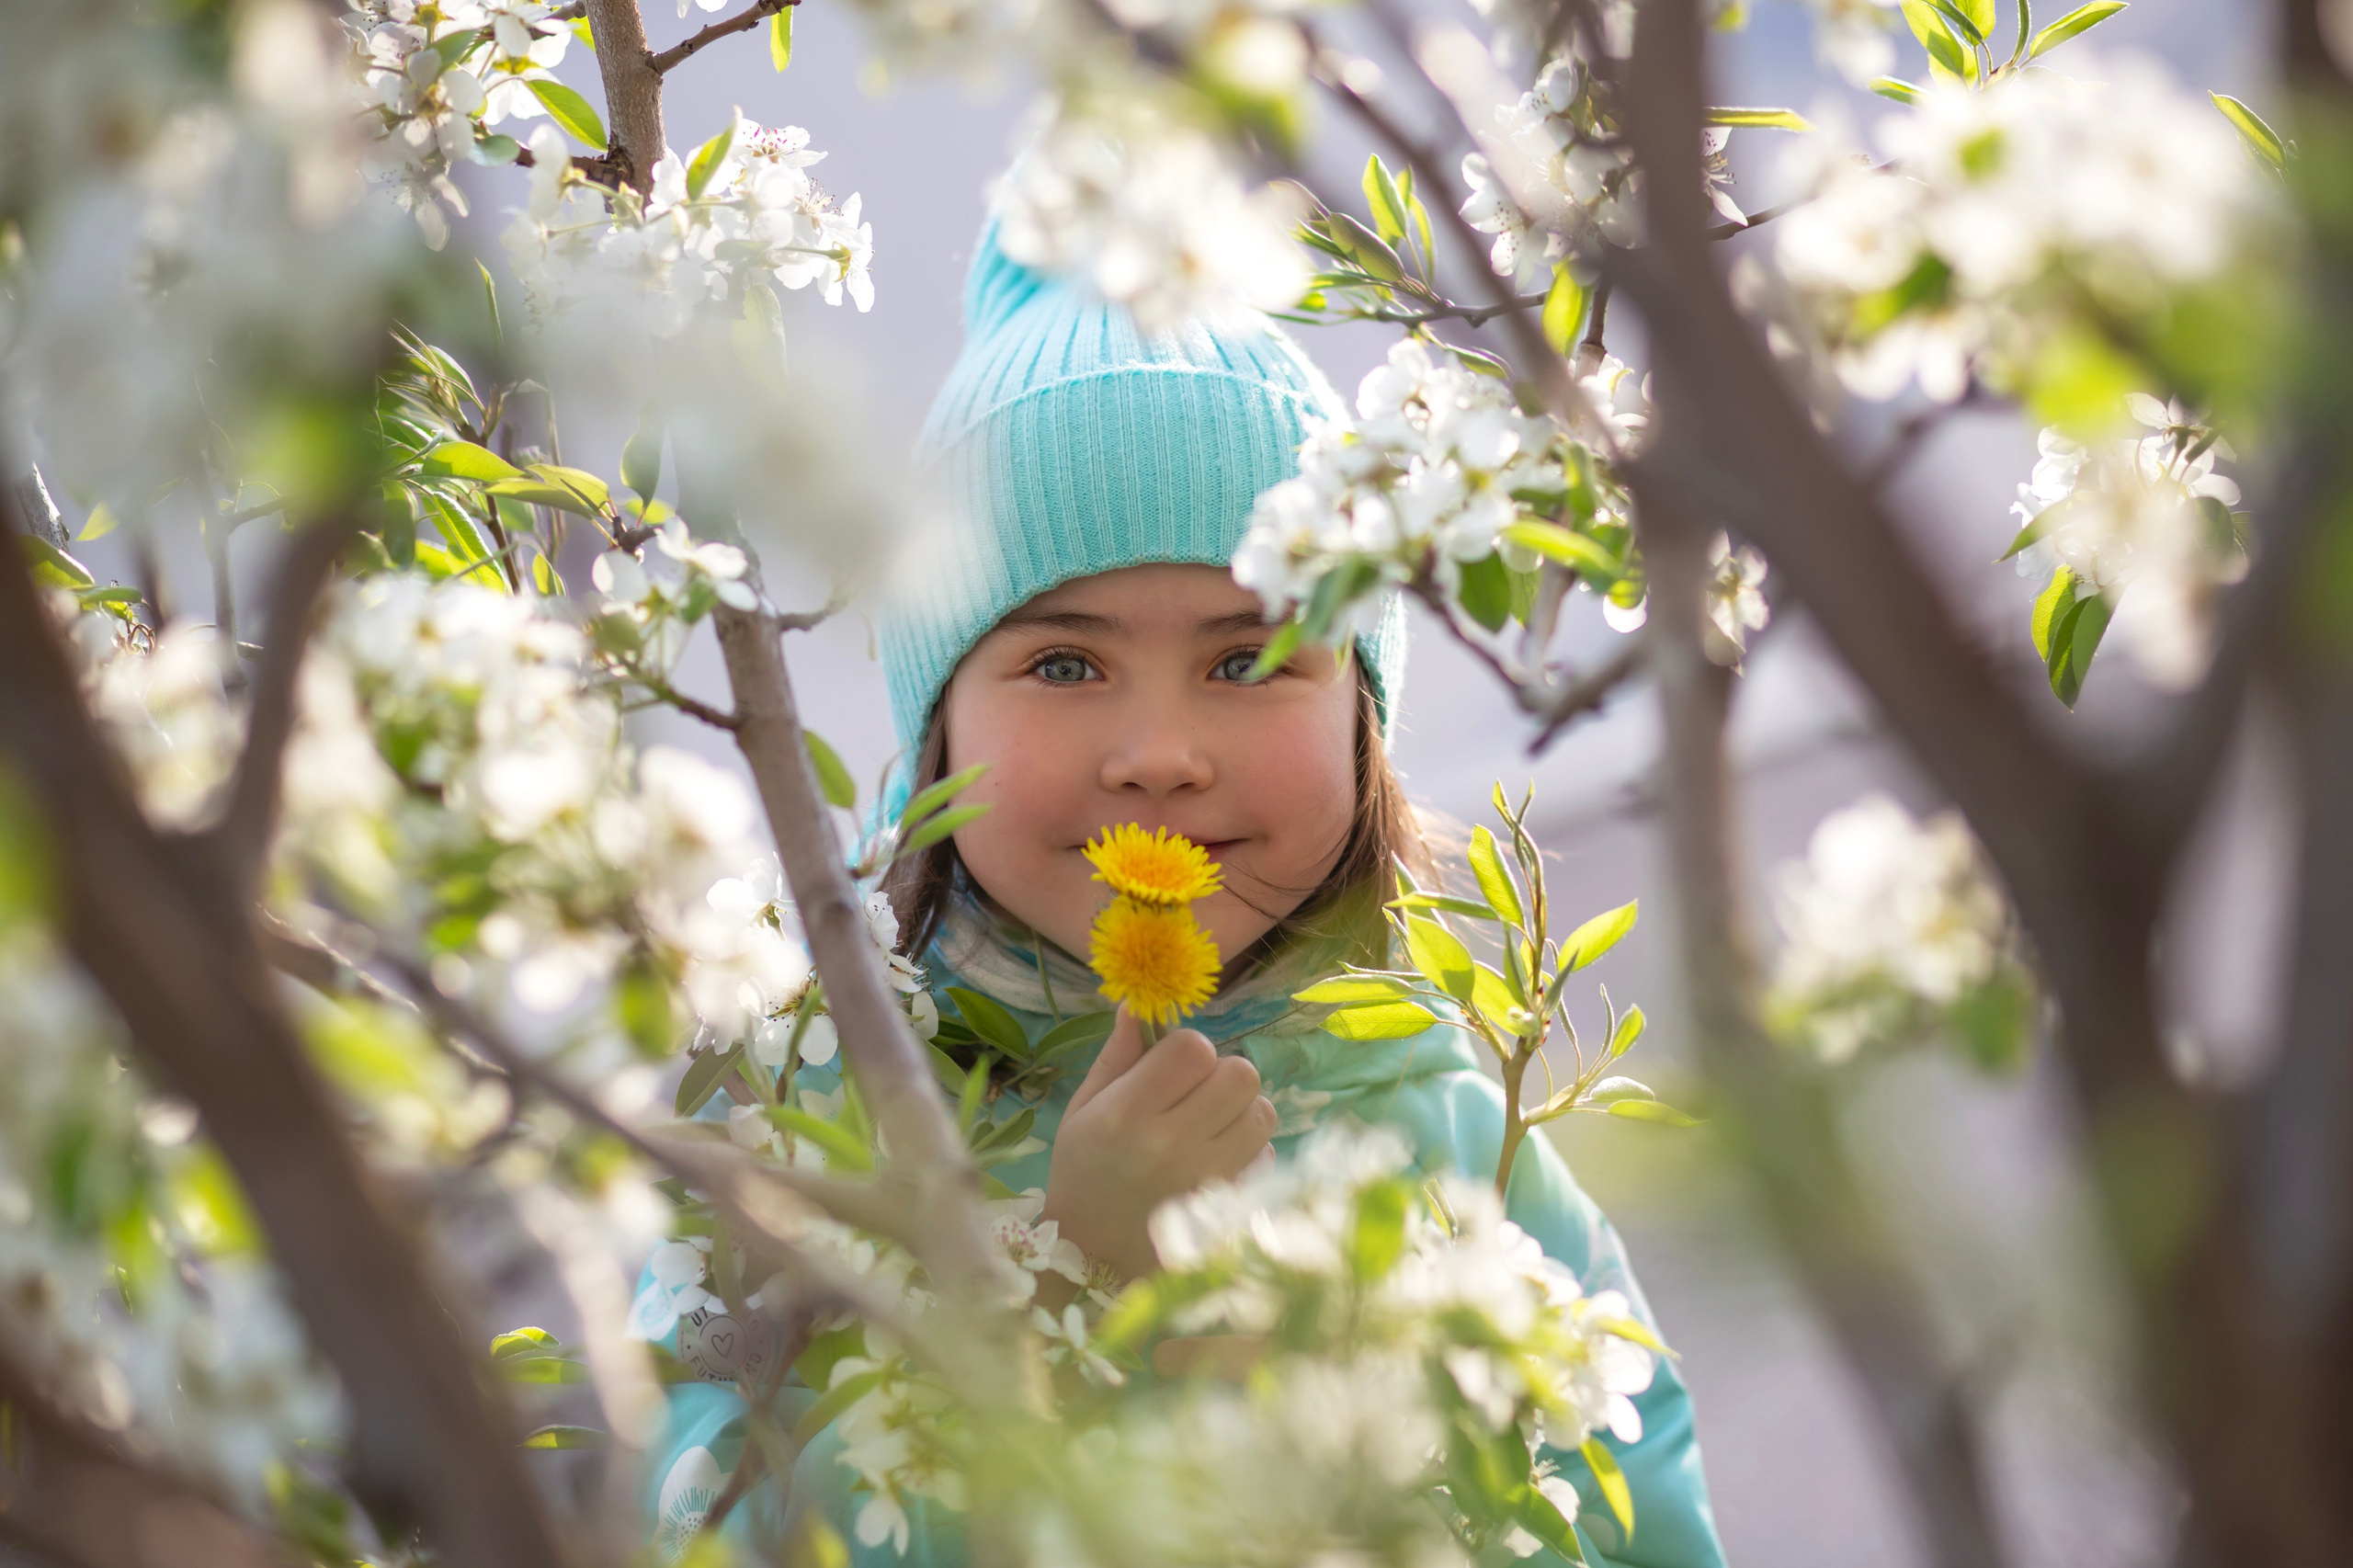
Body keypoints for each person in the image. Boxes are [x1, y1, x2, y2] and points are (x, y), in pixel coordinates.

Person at [638, 217, 1726, 1567]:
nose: (1160, 752)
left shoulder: (1444, 1112)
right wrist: (1065, 1285)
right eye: (1065, 666)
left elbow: (1638, 1509)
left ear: (1364, 720)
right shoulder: (803, 1108)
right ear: (939, 728)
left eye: (1247, 660)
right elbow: (697, 1516)